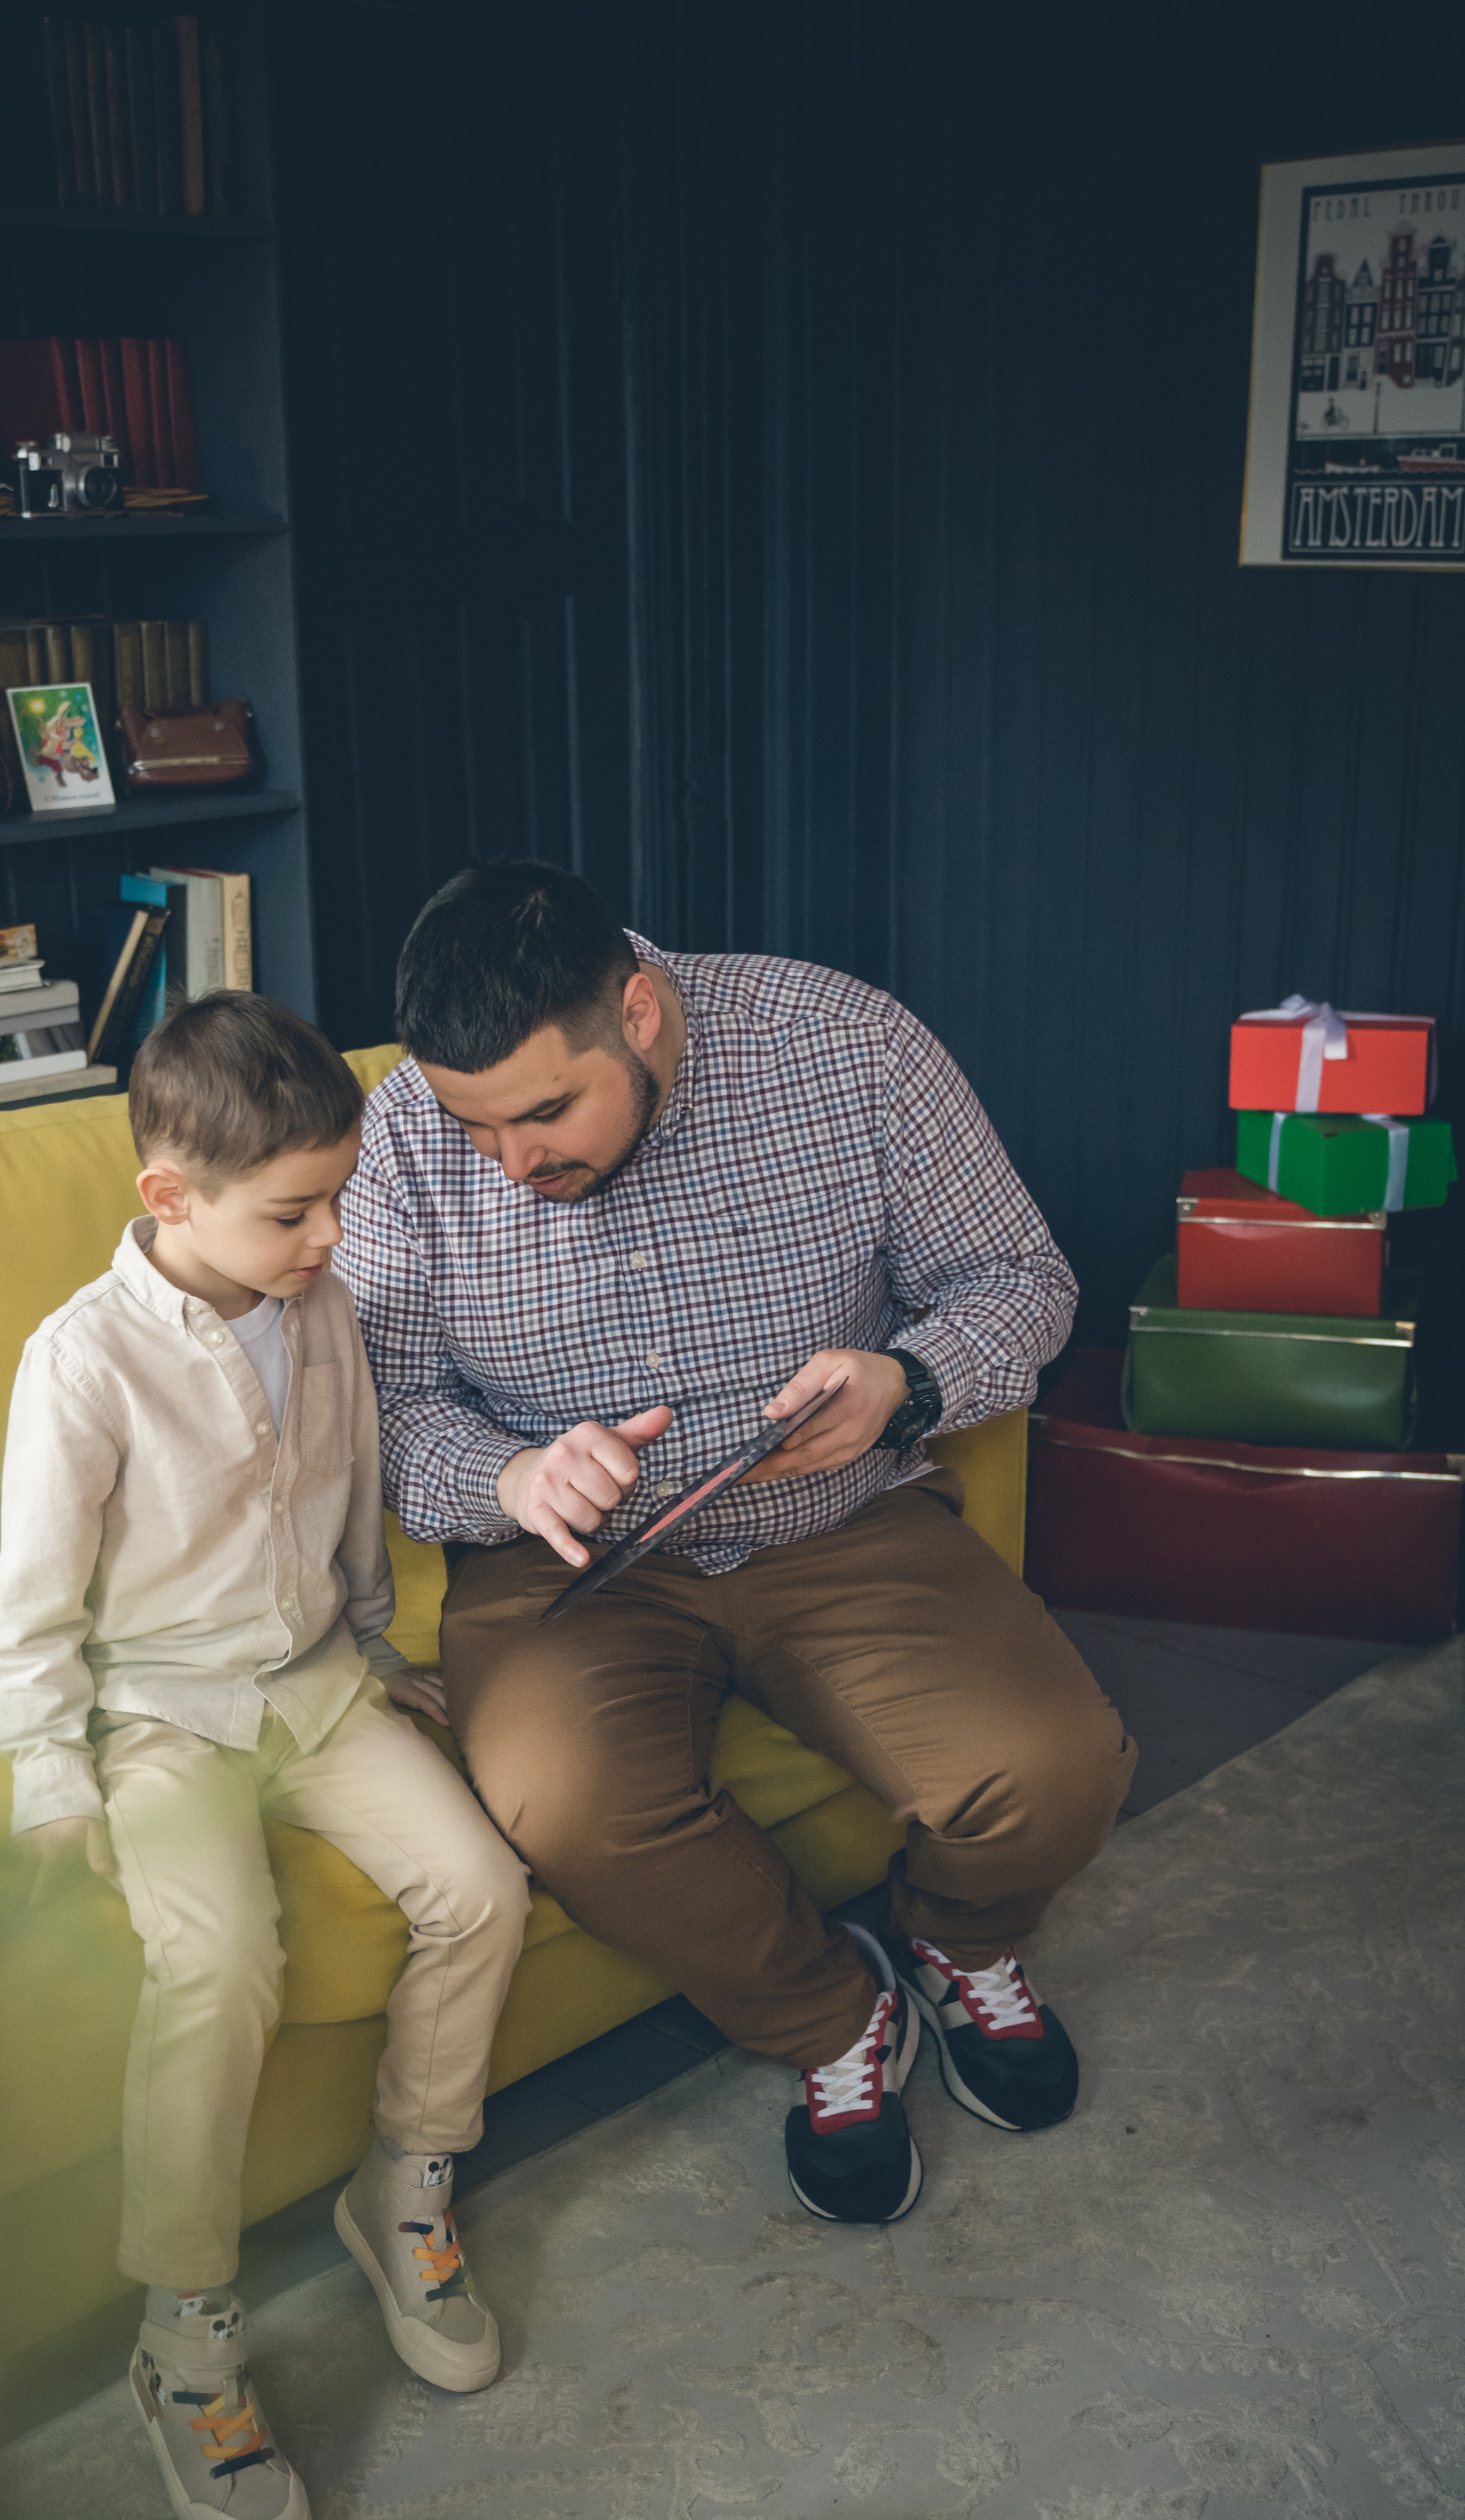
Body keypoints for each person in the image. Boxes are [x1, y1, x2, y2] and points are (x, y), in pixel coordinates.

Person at [338, 863, 1134, 2235]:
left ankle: (955, 1942)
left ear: (637, 1014)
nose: (513, 1167)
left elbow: (1019, 1281)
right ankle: (836, 2016)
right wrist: (517, 1473)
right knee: (562, 1802)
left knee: (1055, 1773)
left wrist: (909, 1384)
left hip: (840, 1519)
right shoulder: (402, 1137)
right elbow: (388, 1418)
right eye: (480, 1135)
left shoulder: (848, 1046)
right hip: (567, 1567)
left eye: (542, 1113)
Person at [0, 990, 530, 2520]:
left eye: (340, 1198)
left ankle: (402, 2188)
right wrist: (48, 1778)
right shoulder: (78, 1366)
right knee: (219, 1961)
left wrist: (374, 1642)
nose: (327, 1235)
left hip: (316, 1685)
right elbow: (31, 1607)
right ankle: (185, 2333)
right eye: (293, 1210)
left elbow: (348, 1488)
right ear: (171, 1198)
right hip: (161, 1717)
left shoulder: (322, 1307)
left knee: (481, 1886)